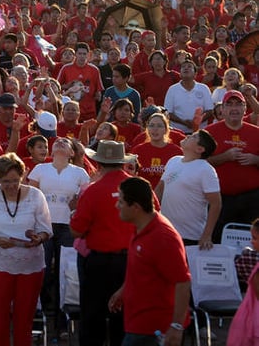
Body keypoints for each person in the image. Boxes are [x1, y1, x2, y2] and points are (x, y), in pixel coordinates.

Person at [0, 153, 52, 346]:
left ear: (23, 176)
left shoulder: (36, 195)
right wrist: (0, 241)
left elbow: (46, 229)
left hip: (30, 266)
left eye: (15, 181)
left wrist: (38, 238)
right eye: (5, 181)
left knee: (24, 321)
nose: (10, 186)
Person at [108, 177, 190, 346]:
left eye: (121, 202)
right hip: (139, 323)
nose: (117, 206)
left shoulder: (162, 237)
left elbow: (182, 282)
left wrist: (176, 326)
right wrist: (123, 291)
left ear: (136, 207)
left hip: (155, 329)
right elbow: (144, 269)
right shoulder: (142, 227)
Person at [70, 141, 137, 346]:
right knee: (125, 320)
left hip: (99, 261)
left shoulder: (93, 191)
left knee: (92, 319)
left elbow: (76, 230)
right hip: (131, 261)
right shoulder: (138, 187)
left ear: (98, 163)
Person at [27, 137, 90, 333]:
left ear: (72, 153)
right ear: (51, 151)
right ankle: (42, 314)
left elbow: (86, 199)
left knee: (67, 274)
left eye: (66, 142)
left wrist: (77, 204)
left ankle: (63, 321)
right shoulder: (39, 169)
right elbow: (31, 197)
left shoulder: (80, 173)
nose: (61, 142)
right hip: (44, 227)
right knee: (43, 272)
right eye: (57, 142)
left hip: (68, 228)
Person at [201, 90, 259, 240]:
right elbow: (197, 162)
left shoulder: (256, 133)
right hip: (220, 199)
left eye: (239, 104)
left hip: (252, 199)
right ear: (222, 109)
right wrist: (223, 157)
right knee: (218, 240)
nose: (234, 108)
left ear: (245, 109)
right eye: (229, 104)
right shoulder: (208, 133)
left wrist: (255, 159)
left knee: (251, 244)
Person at [156, 130, 220, 248]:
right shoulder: (173, 161)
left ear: (200, 149)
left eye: (194, 137)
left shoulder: (206, 170)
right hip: (165, 231)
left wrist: (207, 234)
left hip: (190, 237)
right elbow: (159, 190)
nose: (188, 136)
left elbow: (216, 203)